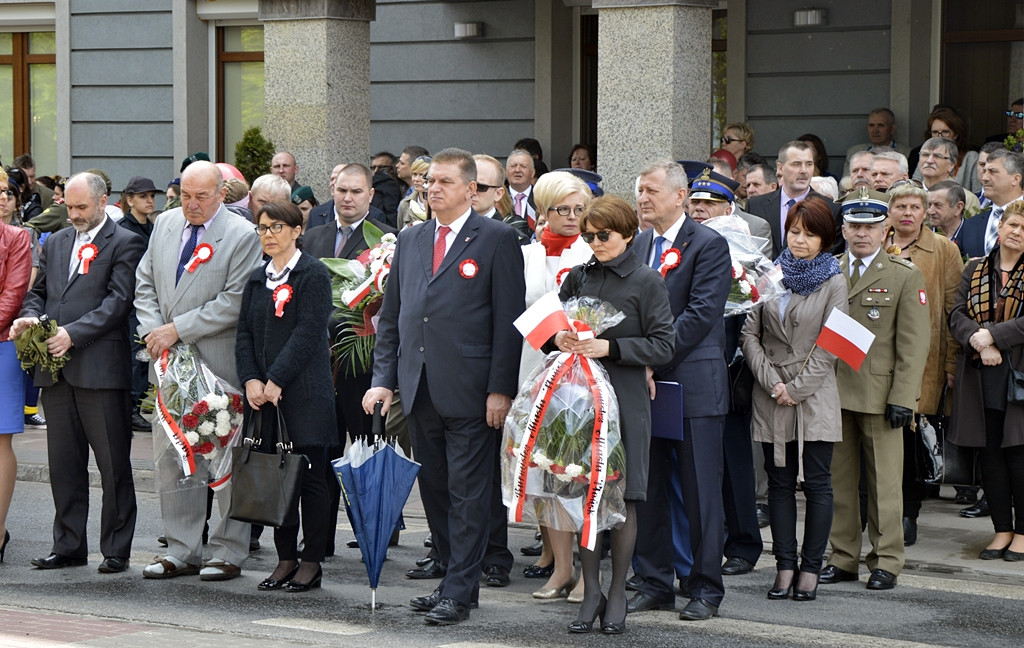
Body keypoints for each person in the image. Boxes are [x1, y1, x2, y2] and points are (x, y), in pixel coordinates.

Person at [363, 147, 526, 625]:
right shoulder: (411, 240)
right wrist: (384, 382)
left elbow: (507, 320)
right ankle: (451, 579)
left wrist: (501, 388)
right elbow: (393, 318)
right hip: (419, 387)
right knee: (434, 488)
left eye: (444, 182)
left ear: (471, 189)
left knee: (469, 492)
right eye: (429, 181)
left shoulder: (496, 239)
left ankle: (460, 588)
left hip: (473, 389)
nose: (432, 189)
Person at [135, 160, 263, 581]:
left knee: (222, 454)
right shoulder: (166, 224)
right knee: (173, 456)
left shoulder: (242, 235)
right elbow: (146, 283)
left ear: (221, 194)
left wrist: (177, 330)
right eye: (185, 195)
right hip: (168, 366)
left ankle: (227, 550)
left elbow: (234, 300)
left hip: (216, 364)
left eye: (201, 196)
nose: (191, 204)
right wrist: (154, 331)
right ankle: (181, 548)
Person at [11, 172, 145, 573]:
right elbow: (38, 293)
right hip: (56, 372)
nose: (73, 215)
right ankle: (68, 545)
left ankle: (116, 547)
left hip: (101, 370)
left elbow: (118, 303)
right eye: (69, 207)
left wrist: (72, 333)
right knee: (64, 465)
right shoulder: (59, 241)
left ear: (103, 202)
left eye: (81, 207)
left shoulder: (126, 241)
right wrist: (30, 319)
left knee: (112, 464)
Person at [552, 195, 674, 634]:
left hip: (623, 396)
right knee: (585, 493)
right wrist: (560, 339)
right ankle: (591, 590)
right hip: (578, 397)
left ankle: (618, 589)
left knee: (623, 496)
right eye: (588, 235)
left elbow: (664, 344)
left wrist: (613, 347)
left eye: (604, 235)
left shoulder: (646, 280)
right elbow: (551, 326)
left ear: (627, 233)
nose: (596, 242)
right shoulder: (578, 276)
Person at [628, 160, 732, 622]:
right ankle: (654, 581)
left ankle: (705, 587)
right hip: (645, 388)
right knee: (647, 489)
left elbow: (700, 315)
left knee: (700, 492)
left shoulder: (708, 244)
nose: (644, 198)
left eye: (651, 191)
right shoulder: (640, 244)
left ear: (679, 196)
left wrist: (649, 359)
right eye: (640, 191)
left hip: (692, 385)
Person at [819, 189, 929, 592]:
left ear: (886, 230)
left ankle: (886, 560)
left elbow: (914, 344)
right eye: (855, 226)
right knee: (839, 481)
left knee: (884, 484)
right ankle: (843, 556)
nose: (862, 234)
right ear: (843, 229)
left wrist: (904, 398)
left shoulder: (903, 274)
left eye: (870, 226)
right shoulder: (828, 269)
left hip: (880, 395)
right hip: (832, 392)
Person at [742, 196, 847, 601]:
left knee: (818, 483)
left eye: (810, 233)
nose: (800, 240)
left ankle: (811, 568)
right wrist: (772, 383)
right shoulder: (772, 273)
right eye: (794, 231)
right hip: (770, 391)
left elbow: (832, 344)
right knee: (779, 483)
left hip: (815, 393)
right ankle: (784, 565)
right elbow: (750, 332)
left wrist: (796, 388)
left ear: (826, 238)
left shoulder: (835, 280)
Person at [236, 201, 336, 591]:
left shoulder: (312, 274)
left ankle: (311, 561)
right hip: (265, 398)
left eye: (277, 227)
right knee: (275, 481)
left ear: (297, 231)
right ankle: (285, 558)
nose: (268, 234)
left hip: (305, 395)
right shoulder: (257, 278)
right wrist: (250, 379)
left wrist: (277, 377)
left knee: (309, 480)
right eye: (262, 228)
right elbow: (244, 332)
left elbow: (309, 331)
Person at [303, 163, 398, 556]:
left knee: (366, 450)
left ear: (370, 195)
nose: (347, 198)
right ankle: (319, 539)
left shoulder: (387, 242)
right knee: (321, 453)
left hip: (362, 368)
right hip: (319, 368)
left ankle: (374, 532)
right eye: (341, 190)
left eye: (356, 192)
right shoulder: (313, 237)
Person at [518, 170, 595, 600]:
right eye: (560, 210)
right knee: (544, 473)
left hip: (581, 378)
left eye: (578, 209)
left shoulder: (593, 251)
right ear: (542, 211)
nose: (570, 217)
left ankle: (587, 572)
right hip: (534, 370)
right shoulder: (526, 254)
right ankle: (560, 568)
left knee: (580, 475)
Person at [883, 182, 964, 546]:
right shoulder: (876, 241)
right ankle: (879, 511)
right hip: (879, 359)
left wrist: (950, 361)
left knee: (914, 442)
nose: (908, 213)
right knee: (882, 438)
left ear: (926, 211)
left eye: (916, 207)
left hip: (926, 361)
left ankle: (907, 513)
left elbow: (953, 311)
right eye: (901, 206)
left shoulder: (943, 250)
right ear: (890, 211)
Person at [948, 199, 1024, 561]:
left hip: (1019, 377)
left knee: (1019, 458)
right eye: (1013, 225)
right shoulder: (976, 268)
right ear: (1001, 226)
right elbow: (957, 314)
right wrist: (979, 341)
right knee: (990, 456)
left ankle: (1023, 533)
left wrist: (993, 336)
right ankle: (1001, 530)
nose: (1017, 232)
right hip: (981, 373)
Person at [0, 168, 32, 563]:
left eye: (5, 190)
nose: (2, 196)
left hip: (3, 345)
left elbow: (13, 295)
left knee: (0, 440)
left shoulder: (16, 237)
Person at [118, 176, 163, 432]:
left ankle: (143, 404)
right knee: (136, 356)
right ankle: (133, 407)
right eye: (143, 196)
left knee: (147, 355)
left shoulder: (154, 227)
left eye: (151, 196)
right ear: (130, 199)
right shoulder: (123, 228)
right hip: (131, 300)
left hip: (150, 298)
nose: (149, 200)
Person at [746, 141, 842, 257]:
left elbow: (829, 256)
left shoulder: (832, 209)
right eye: (797, 164)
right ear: (780, 168)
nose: (804, 170)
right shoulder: (755, 206)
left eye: (809, 164)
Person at [960, 150, 1024, 259]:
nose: (984, 178)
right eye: (984, 171)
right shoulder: (969, 225)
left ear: (1015, 179)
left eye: (992, 171)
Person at [911, 107, 980, 193]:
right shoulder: (926, 156)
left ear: (956, 134)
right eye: (935, 132)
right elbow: (915, 184)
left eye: (945, 132)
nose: (939, 136)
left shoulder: (971, 157)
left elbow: (978, 194)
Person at [928, 180, 968, 250]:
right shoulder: (921, 237)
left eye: (938, 205)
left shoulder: (976, 237)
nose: (930, 211)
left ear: (958, 208)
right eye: (929, 205)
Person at [397, 156, 430, 229]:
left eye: (422, 175)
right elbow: (400, 232)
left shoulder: (439, 203)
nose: (416, 179)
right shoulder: (405, 204)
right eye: (414, 174)